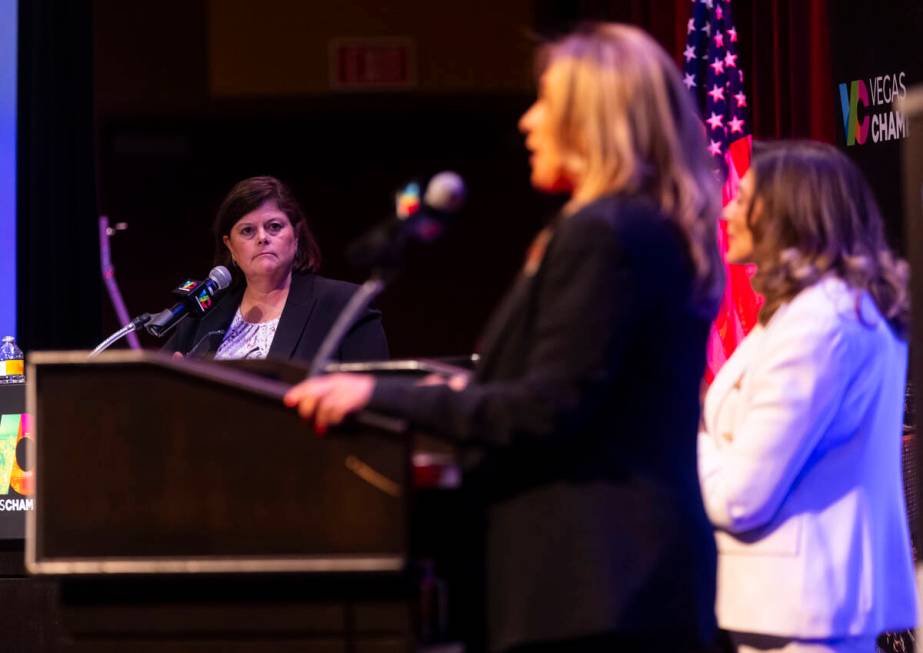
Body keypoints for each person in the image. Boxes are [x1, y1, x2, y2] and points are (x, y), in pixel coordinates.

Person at [286, 23, 723, 653]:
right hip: (621, 581)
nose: (529, 122)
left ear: (590, 118)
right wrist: (467, 387)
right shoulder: (638, 224)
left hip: (599, 588)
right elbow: (596, 393)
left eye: (545, 102)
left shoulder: (605, 233)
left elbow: (547, 410)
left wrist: (374, 394)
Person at [697, 141, 917, 653]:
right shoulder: (804, 312)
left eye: (743, 198)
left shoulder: (821, 323)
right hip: (783, 607)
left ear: (790, 212)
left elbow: (741, 498)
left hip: (808, 614)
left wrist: (690, 428)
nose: (725, 209)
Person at [165, 176, 389, 363]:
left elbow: (374, 394)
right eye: (247, 231)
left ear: (296, 233)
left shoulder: (344, 305)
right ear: (230, 245)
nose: (262, 238)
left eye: (274, 226)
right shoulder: (205, 314)